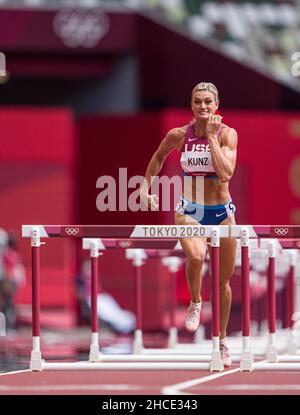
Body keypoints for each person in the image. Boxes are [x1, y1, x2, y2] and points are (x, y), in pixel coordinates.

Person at [140, 82, 238, 367]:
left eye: (208, 102)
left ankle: (220, 342)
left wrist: (209, 138)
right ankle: (196, 301)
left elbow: (225, 174)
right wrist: (146, 188)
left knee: (222, 282)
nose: (203, 107)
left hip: (222, 212)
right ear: (191, 105)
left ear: (216, 104)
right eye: (198, 102)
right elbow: (158, 157)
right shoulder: (178, 135)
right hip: (189, 209)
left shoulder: (227, 135)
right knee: (196, 256)